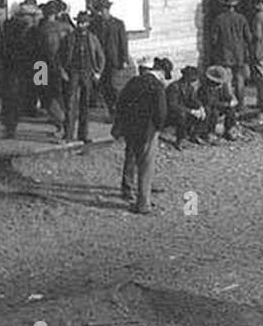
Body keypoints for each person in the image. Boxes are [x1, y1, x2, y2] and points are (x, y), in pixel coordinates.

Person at [112, 57, 167, 213]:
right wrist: (158, 127)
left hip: (131, 127)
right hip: (148, 129)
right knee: (146, 165)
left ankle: (128, 188)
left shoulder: (132, 83)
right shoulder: (157, 86)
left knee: (131, 157)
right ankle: (143, 202)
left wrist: (120, 125)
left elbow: (121, 104)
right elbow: (161, 112)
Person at [58, 11, 106, 143]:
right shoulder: (69, 38)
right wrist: (63, 72)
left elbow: (101, 56)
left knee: (85, 105)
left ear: (88, 23)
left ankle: (83, 134)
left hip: (87, 73)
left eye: (83, 22)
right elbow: (59, 57)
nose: (80, 25)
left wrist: (98, 72)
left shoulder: (92, 38)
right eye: (79, 22)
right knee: (70, 104)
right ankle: (68, 134)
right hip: (73, 72)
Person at [0, 0, 42, 139]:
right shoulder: (31, 30)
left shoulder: (8, 25)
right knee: (21, 96)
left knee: (12, 98)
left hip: (12, 68)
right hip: (27, 67)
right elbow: (38, 50)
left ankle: (10, 126)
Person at [36, 0, 72, 137]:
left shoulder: (42, 28)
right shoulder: (66, 28)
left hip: (42, 65)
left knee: (45, 94)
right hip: (61, 65)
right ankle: (61, 124)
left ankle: (59, 122)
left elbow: (37, 50)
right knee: (59, 94)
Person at [210, 0, 250, 107]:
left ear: (223, 6)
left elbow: (214, 39)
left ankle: (230, 102)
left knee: (227, 79)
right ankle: (241, 103)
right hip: (239, 54)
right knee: (239, 79)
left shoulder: (218, 19)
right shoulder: (241, 18)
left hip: (224, 53)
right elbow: (248, 36)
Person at [94, 0, 129, 114]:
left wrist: (124, 59)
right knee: (103, 86)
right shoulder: (95, 24)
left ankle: (117, 108)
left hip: (114, 59)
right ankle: (111, 108)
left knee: (113, 85)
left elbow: (123, 42)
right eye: (99, 10)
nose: (101, 12)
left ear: (108, 9)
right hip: (100, 60)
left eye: (103, 10)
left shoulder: (118, 24)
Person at [166, 66, 208, 147]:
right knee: (182, 115)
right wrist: (191, 111)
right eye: (192, 78)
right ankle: (180, 140)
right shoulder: (174, 87)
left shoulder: (189, 87)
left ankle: (195, 134)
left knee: (205, 111)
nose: (194, 80)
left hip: (184, 109)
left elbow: (194, 99)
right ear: (186, 77)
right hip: (171, 113)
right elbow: (173, 105)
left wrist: (200, 108)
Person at [201, 65, 241, 138]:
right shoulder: (205, 88)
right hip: (209, 107)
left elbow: (228, 96)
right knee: (214, 112)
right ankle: (210, 132)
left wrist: (232, 100)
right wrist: (226, 104)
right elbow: (210, 102)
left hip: (220, 105)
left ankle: (230, 129)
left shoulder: (221, 87)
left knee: (231, 110)